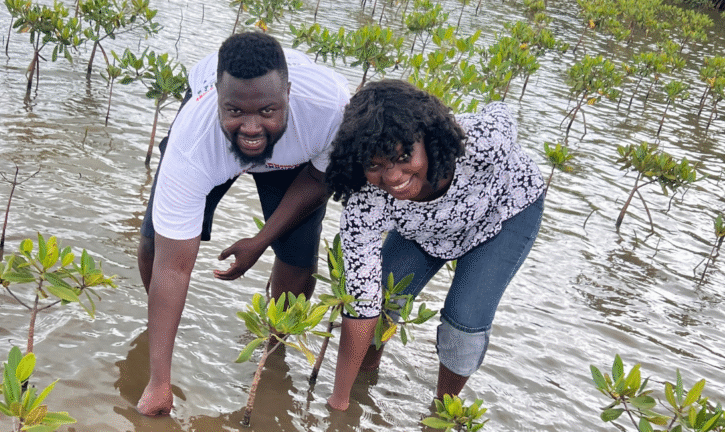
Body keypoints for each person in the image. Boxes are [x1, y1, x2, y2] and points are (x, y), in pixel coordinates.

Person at [136, 32, 350, 416]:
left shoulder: (328, 109)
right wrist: (158, 382)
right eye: (235, 111)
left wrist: (261, 241)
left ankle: (275, 349)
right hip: (210, 147)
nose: (251, 129)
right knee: (156, 246)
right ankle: (155, 344)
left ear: (288, 92)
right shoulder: (194, 141)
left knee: (299, 264)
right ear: (216, 95)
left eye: (267, 111)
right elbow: (174, 267)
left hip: (295, 160)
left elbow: (318, 179)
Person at [323, 79, 546, 411]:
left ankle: (442, 411)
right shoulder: (366, 201)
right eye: (375, 166)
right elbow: (361, 302)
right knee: (382, 299)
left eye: (403, 158)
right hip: (427, 228)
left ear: (427, 139)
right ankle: (364, 384)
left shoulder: (479, 145)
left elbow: (500, 110)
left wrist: (454, 125)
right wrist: (339, 402)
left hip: (504, 210)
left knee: (465, 321)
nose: (393, 177)